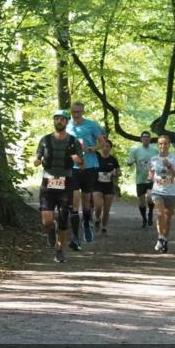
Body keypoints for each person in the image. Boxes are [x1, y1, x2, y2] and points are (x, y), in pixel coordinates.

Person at [34, 110, 84, 262]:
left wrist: (78, 160)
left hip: (65, 183)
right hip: (48, 183)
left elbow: (81, 162)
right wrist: (36, 161)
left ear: (67, 122)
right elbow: (37, 158)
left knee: (63, 219)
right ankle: (50, 231)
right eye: (57, 119)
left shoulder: (73, 141)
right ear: (54, 121)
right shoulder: (45, 140)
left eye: (62, 119)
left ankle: (59, 249)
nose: (59, 121)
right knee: (46, 221)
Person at [69, 102, 107, 246]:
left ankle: (86, 222)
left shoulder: (92, 125)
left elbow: (102, 144)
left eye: (79, 111)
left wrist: (90, 149)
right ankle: (75, 234)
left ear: (83, 111)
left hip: (89, 166)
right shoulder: (67, 126)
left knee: (86, 198)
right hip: (72, 166)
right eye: (74, 111)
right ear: (71, 112)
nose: (76, 114)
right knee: (74, 199)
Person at [148, 134, 175, 253]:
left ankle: (165, 239)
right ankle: (160, 238)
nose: (163, 146)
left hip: (171, 192)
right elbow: (151, 175)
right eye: (160, 143)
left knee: (168, 218)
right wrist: (150, 177)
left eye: (165, 143)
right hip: (158, 191)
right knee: (160, 214)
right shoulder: (154, 159)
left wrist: (170, 166)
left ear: (169, 145)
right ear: (158, 145)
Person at [126, 132, 159, 227]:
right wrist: (130, 162)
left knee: (149, 197)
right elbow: (129, 162)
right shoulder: (135, 151)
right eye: (144, 137)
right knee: (141, 201)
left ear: (150, 139)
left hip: (151, 179)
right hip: (140, 179)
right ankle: (144, 219)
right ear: (141, 139)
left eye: (148, 137)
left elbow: (159, 162)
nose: (146, 139)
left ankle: (150, 213)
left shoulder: (155, 151)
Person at [95, 141, 121, 234]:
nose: (105, 148)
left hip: (109, 186)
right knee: (98, 207)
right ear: (101, 147)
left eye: (108, 146)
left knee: (106, 209)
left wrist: (116, 173)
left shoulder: (113, 160)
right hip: (97, 185)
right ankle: (97, 218)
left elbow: (119, 172)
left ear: (110, 148)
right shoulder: (96, 157)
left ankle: (104, 226)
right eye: (104, 146)